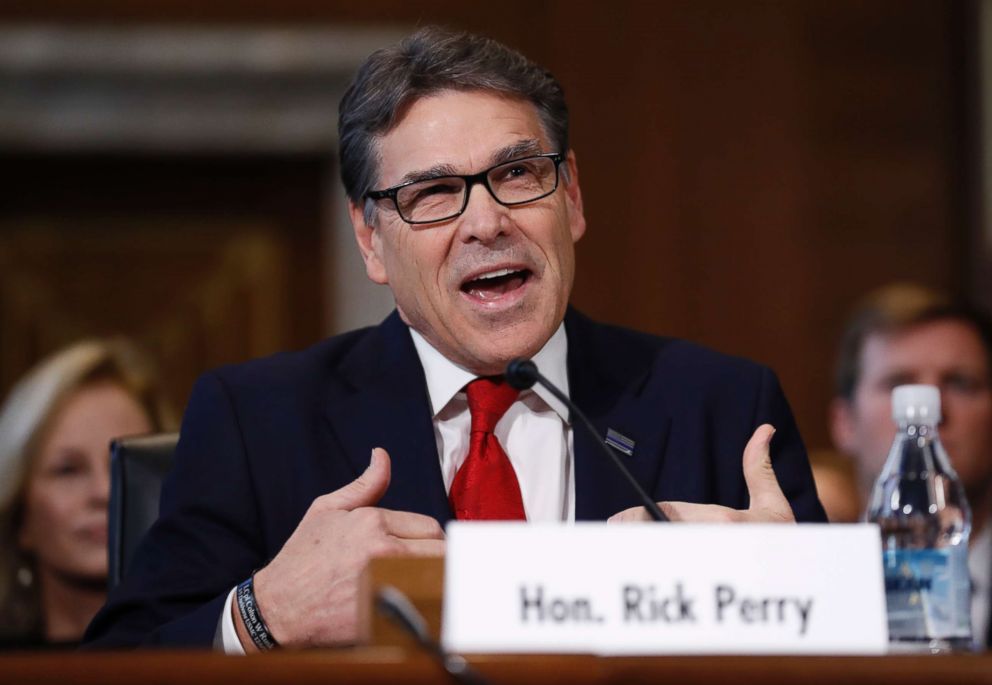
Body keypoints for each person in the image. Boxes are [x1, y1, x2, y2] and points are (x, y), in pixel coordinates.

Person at [84, 26, 825, 651]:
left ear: (570, 198)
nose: (486, 221)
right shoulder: (256, 420)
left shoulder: (722, 408)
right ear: (371, 240)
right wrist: (263, 612)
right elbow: (115, 663)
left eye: (516, 172)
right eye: (434, 193)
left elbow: (852, 649)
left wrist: (783, 594)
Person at [828, 282, 992, 646]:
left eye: (961, 383)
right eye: (899, 383)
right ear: (845, 422)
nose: (932, 413)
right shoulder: (807, 583)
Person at [0, 339, 174, 647]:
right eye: (68, 470)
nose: (105, 492)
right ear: (21, 517)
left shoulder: (218, 657)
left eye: (127, 465)